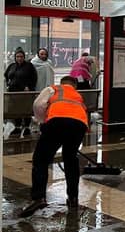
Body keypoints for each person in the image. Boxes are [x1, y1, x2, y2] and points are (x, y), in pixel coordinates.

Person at [19, 76, 89, 218]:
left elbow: (38, 104)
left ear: (61, 83)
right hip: (79, 125)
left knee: (41, 159)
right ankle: (73, 198)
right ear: (74, 85)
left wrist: (43, 121)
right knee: (70, 159)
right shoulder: (77, 95)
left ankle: (39, 198)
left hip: (57, 122)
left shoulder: (53, 89)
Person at [4, 47, 38, 137]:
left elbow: (34, 78)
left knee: (25, 109)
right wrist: (8, 83)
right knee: (16, 110)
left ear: (24, 57)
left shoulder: (29, 66)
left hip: (25, 93)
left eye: (21, 56)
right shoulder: (12, 66)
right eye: (18, 56)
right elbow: (6, 75)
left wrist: (29, 87)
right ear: (15, 57)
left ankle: (26, 127)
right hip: (13, 92)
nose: (19, 58)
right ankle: (18, 127)